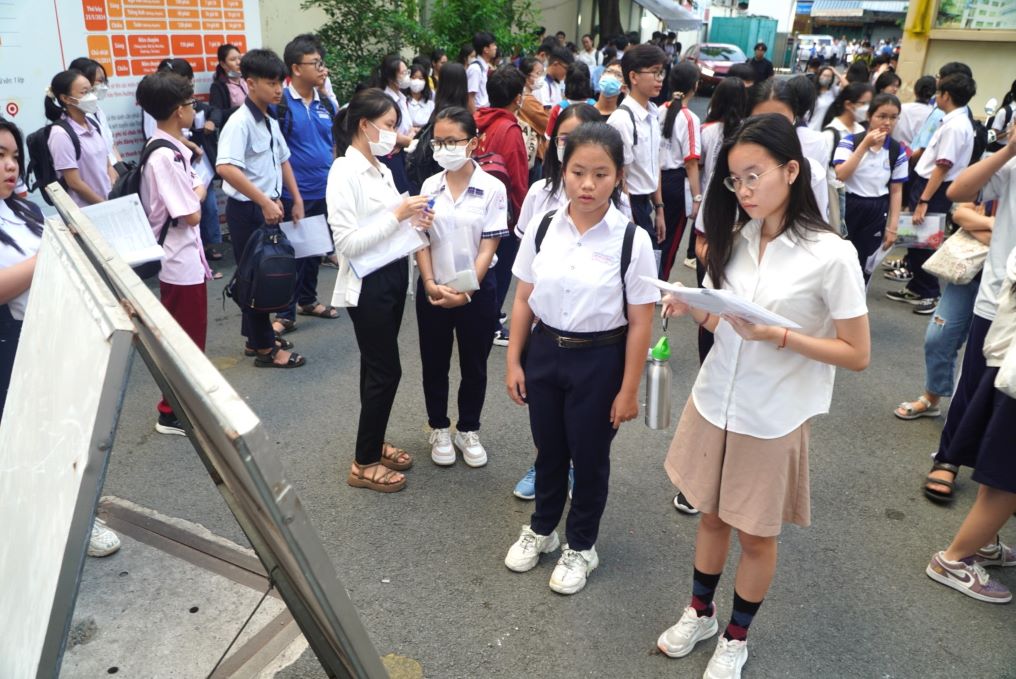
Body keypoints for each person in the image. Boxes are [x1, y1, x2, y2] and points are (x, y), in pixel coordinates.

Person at [656, 113, 870, 678]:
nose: (744, 190)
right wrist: (690, 303)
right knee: (710, 517)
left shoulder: (831, 254)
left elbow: (857, 352)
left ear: (791, 170)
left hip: (773, 414)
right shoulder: (738, 237)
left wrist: (778, 335)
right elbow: (723, 321)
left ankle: (736, 636)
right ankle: (700, 611)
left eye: (755, 175)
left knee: (755, 534)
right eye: (735, 180)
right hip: (716, 399)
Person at [503, 122, 658, 595]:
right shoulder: (544, 226)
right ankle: (543, 529)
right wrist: (514, 361)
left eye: (601, 174)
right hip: (545, 352)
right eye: (577, 172)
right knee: (549, 449)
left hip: (600, 360)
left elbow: (641, 322)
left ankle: (582, 545)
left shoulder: (631, 240)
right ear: (563, 171)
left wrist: (628, 390)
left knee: (589, 459)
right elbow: (524, 297)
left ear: (619, 177)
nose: (587, 184)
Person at [0, 117, 121, 557]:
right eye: (0, 156)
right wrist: (52, 251)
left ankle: (73, 517)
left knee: (63, 433)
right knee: (23, 442)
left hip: (53, 338)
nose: (11, 166)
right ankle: (47, 527)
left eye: (15, 156)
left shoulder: (25, 210)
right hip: (12, 351)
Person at [327, 89, 433, 492]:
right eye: (388, 126)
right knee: (387, 371)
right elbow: (347, 243)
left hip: (392, 276)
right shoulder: (344, 171)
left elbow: (392, 228)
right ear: (364, 125)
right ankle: (364, 462)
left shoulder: (383, 169)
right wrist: (397, 215)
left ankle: (372, 442)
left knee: (375, 369)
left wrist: (415, 220)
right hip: (367, 282)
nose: (394, 134)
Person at [511, 103, 608, 499]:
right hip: (545, 330)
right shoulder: (540, 194)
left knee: (584, 418)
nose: (571, 145)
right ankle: (545, 465)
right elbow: (526, 279)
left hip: (591, 334)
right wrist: (515, 352)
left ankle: (575, 468)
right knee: (544, 412)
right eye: (564, 138)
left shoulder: (611, 200)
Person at [921, 127, 1016, 504]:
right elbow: (958, 192)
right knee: (976, 380)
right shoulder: (1011, 164)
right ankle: (949, 458)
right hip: (999, 296)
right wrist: (1008, 149)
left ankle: (1002, 480)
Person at [416, 107, 507, 467]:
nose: (444, 149)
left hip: (478, 292)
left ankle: (468, 428)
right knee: (434, 361)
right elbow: (420, 239)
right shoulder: (429, 186)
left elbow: (488, 246)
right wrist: (428, 283)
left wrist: (468, 291)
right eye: (438, 142)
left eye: (452, 141)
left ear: (474, 142)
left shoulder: (492, 188)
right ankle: (439, 426)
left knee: (475, 363)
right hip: (434, 288)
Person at [925, 244, 1016, 604]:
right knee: (1007, 473)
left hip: (1008, 357)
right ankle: (955, 559)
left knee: (1001, 464)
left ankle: (984, 542)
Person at [215, 48, 306, 367]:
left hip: (269, 207)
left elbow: (283, 160)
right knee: (256, 278)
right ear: (250, 83)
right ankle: (267, 350)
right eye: (271, 83)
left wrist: (296, 199)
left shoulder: (269, 118)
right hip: (249, 210)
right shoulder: (240, 122)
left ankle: (256, 340)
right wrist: (264, 200)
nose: (278, 89)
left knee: (264, 276)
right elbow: (226, 168)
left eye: (280, 82)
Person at [135, 70, 211, 435]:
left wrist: (196, 191)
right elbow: (191, 212)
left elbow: (195, 191)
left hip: (183, 255)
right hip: (178, 259)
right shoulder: (165, 156)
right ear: (179, 110)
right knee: (185, 339)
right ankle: (172, 411)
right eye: (191, 103)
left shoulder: (170, 148)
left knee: (189, 336)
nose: (194, 109)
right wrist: (198, 192)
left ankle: (183, 405)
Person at [887, 73, 977, 315]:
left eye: (939, 92)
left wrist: (923, 200)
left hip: (933, 188)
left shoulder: (956, 126)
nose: (936, 96)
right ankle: (917, 287)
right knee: (914, 241)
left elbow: (943, 165)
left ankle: (930, 292)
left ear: (946, 95)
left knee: (922, 243)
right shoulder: (953, 120)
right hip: (928, 185)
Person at [893, 203, 992, 421]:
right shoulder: (995, 181)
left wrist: (976, 227)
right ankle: (932, 397)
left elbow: (1003, 240)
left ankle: (980, 415)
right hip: (967, 273)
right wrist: (992, 224)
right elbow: (960, 213)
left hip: (1005, 283)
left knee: (989, 351)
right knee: (938, 337)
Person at [272, 34, 339, 330]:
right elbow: (276, 153)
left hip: (323, 189)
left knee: (314, 250)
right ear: (296, 68)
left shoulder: (326, 103)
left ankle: (308, 300)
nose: (322, 69)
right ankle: (284, 313)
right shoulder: (281, 104)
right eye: (316, 63)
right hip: (294, 194)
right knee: (291, 255)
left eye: (321, 63)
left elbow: (333, 144)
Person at [474, 66, 529, 347]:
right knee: (501, 267)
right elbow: (517, 179)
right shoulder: (509, 128)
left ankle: (483, 315)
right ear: (517, 97)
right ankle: (492, 322)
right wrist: (521, 216)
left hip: (475, 205)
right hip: (501, 212)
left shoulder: (478, 120)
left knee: (481, 262)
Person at [832, 93, 907, 279]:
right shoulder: (850, 142)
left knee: (864, 261)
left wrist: (893, 227)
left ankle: (859, 294)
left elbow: (896, 190)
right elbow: (841, 174)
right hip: (849, 205)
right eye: (881, 116)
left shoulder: (896, 150)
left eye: (893, 117)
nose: (887, 122)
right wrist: (865, 145)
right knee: (839, 257)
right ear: (869, 116)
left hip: (877, 208)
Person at [607, 44, 667, 253]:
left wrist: (659, 209)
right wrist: (629, 219)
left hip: (646, 204)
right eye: (654, 72)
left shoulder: (653, 113)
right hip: (629, 206)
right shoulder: (622, 120)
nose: (660, 79)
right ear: (633, 77)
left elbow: (655, 165)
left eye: (661, 73)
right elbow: (619, 175)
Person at [748, 79, 829, 220]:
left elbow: (819, 223)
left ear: (794, 117)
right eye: (760, 121)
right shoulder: (731, 164)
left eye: (781, 121)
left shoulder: (812, 172)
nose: (771, 129)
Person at [658, 62, 701, 280]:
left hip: (656, 179)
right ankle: (660, 282)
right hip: (676, 182)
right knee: (671, 239)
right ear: (695, 86)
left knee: (655, 235)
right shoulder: (690, 119)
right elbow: (691, 162)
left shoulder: (658, 110)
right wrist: (697, 197)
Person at [44, 69, 111, 207]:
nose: (91, 96)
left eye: (91, 91)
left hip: (108, 202)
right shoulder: (60, 134)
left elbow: (107, 164)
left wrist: (113, 195)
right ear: (65, 98)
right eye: (84, 92)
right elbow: (74, 183)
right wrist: (104, 205)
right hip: (87, 211)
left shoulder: (93, 125)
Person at [67, 57, 123, 184]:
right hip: (98, 180)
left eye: (104, 81)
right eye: (99, 81)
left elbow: (110, 145)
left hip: (114, 176)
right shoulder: (75, 119)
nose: (103, 86)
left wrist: (122, 169)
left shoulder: (98, 111)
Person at [377, 55, 417, 194]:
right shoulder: (385, 100)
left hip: (403, 151)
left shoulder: (401, 97)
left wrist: (403, 141)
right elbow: (387, 133)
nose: (407, 76)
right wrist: (409, 141)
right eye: (403, 73)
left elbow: (410, 128)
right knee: (400, 192)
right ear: (390, 77)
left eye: (407, 72)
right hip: (391, 155)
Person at [543, 62, 596, 138]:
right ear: (588, 82)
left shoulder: (558, 109)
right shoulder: (595, 107)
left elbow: (549, 138)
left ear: (566, 82)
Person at [209, 44, 248, 128]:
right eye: (233, 59)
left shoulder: (247, 80)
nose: (238, 62)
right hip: (235, 128)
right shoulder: (218, 87)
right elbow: (218, 114)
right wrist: (241, 109)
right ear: (223, 64)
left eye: (240, 58)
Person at [894, 75, 936, 146]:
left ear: (915, 90)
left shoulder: (901, 108)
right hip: (917, 151)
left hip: (895, 148)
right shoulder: (934, 114)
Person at [467, 31, 497, 111]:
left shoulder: (484, 67)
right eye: (493, 45)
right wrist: (476, 117)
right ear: (486, 49)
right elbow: (470, 97)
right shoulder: (475, 69)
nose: (495, 47)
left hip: (485, 111)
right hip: (479, 113)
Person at [808, 65, 841, 132]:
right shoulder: (811, 91)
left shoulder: (833, 91)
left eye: (829, 76)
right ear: (819, 76)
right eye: (824, 75)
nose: (826, 78)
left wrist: (836, 72)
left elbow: (848, 87)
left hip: (826, 130)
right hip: (811, 128)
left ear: (832, 79)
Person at [406, 64, 435, 128]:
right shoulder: (404, 102)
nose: (417, 81)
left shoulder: (430, 104)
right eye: (413, 78)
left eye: (420, 78)